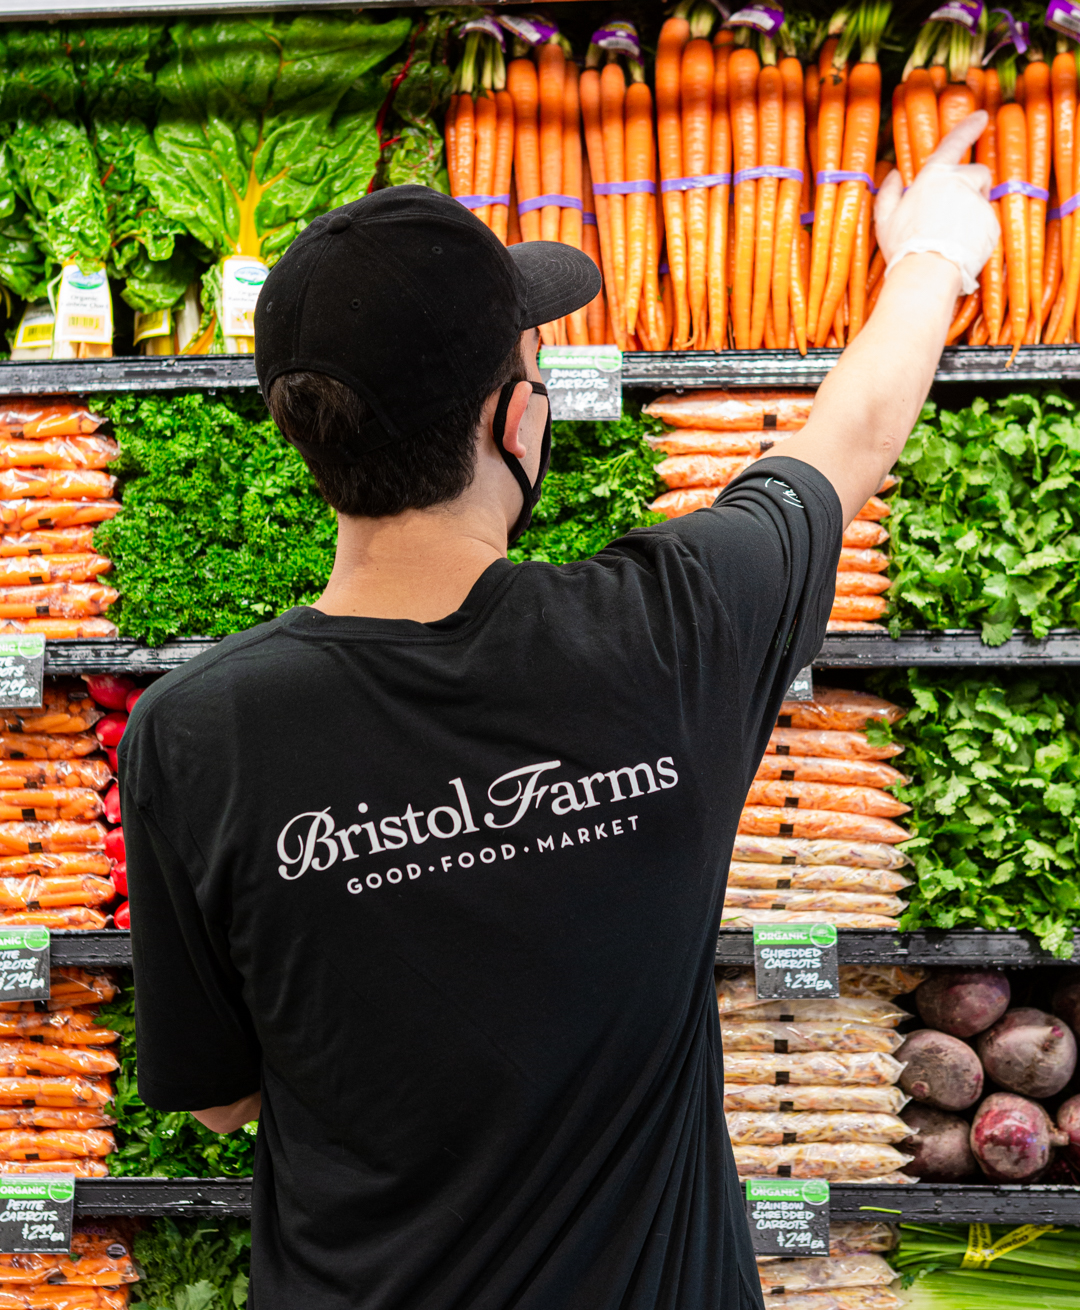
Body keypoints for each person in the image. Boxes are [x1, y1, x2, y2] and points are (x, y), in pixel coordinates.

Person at [122, 112, 997, 1310]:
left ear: (304, 437)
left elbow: (222, 1097)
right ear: (515, 422)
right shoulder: (673, 627)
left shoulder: (191, 732)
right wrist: (935, 251)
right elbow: (853, 438)